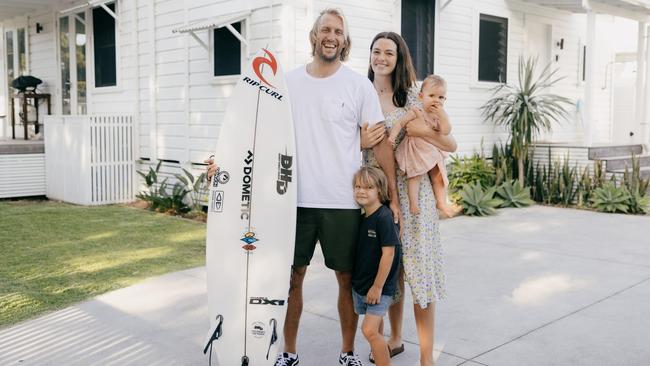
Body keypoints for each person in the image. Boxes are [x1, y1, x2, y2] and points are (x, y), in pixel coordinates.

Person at [207, 9, 400, 366]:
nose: (331, 36)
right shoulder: (287, 83)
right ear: (314, 36)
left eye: (338, 31)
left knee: (346, 280)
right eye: (325, 29)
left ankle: (346, 353)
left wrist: (393, 200)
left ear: (344, 40)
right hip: (290, 201)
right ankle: (289, 353)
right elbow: (255, 132)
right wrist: (224, 163)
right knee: (291, 280)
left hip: (343, 201)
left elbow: (381, 143)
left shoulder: (358, 85)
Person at [361, 31, 457, 366]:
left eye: (390, 52)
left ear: (399, 58)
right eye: (376, 51)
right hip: (376, 196)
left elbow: (449, 143)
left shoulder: (414, 96)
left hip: (414, 194)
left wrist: (418, 131)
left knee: (420, 270)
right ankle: (395, 338)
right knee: (390, 271)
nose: (382, 58)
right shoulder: (360, 93)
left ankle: (427, 358)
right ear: (370, 55)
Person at [387, 75, 458, 217]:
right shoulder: (416, 111)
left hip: (431, 150)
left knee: (438, 176)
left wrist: (442, 116)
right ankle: (413, 202)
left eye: (441, 97)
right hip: (416, 150)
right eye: (431, 95)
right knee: (415, 176)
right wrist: (393, 136)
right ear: (421, 96)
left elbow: (446, 131)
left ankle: (441, 202)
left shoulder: (439, 115)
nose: (436, 100)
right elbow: (401, 123)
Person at [351, 166, 401, 366]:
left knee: (369, 330)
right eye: (357, 187)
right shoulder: (363, 218)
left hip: (380, 287)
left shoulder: (384, 217)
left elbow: (389, 253)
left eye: (368, 187)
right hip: (363, 284)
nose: (361, 191)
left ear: (379, 191)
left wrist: (378, 286)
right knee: (376, 329)